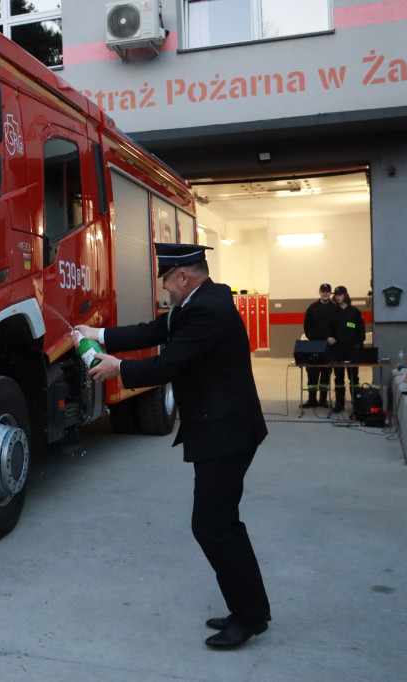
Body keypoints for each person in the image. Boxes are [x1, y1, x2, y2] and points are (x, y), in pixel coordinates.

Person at [75, 243, 271, 650]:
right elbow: (153, 330)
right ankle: (249, 610)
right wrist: (100, 335)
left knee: (213, 526)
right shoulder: (198, 302)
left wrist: (119, 369)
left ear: (183, 276)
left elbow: (169, 363)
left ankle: (249, 617)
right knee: (222, 524)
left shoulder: (207, 310)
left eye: (165, 280)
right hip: (220, 430)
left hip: (226, 433)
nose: (164, 289)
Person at [327, 285, 365, 413]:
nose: (338, 297)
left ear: (345, 295)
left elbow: (361, 330)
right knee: (338, 378)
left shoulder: (354, 312)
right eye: (336, 295)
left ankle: (357, 402)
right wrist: (329, 338)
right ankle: (339, 403)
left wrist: (360, 344)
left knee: (354, 377)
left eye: (340, 295)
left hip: (352, 350)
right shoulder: (333, 312)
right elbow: (329, 329)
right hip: (337, 350)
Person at [301, 283, 337, 408]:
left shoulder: (334, 308)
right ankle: (312, 400)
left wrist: (333, 338)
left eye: (328, 291)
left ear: (330, 293)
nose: (325, 293)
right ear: (319, 292)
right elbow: (307, 327)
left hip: (329, 347)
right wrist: (315, 338)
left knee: (326, 374)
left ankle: (323, 400)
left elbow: (338, 327)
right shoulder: (312, 308)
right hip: (314, 346)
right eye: (323, 291)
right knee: (312, 373)